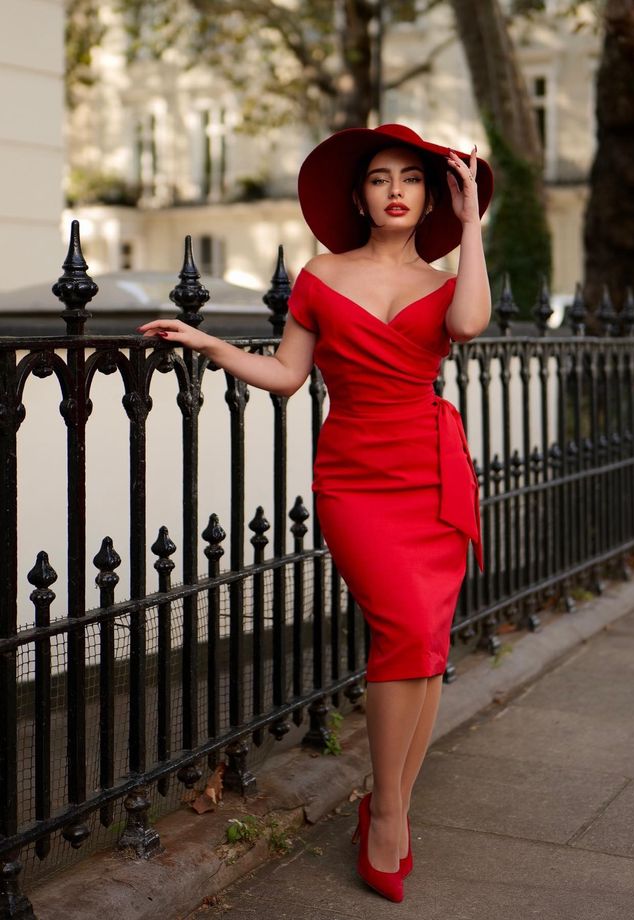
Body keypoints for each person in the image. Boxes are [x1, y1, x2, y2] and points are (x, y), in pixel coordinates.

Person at [138, 123, 494, 903]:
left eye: (411, 177)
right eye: (378, 178)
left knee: (425, 640)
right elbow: (288, 374)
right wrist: (211, 344)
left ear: (432, 195)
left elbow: (468, 325)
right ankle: (390, 814)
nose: (394, 188)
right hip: (357, 476)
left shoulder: (447, 280)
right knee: (403, 625)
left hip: (431, 471)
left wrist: (471, 227)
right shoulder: (321, 275)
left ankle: (389, 808)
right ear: (360, 197)